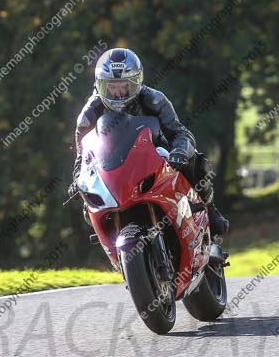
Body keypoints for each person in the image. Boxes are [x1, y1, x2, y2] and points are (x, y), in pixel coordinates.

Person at [68, 47, 229, 236]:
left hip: (156, 157)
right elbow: (82, 156)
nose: (118, 93)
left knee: (197, 162)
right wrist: (77, 179)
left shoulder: (155, 100)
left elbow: (180, 133)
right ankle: (113, 239)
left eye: (124, 86)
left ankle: (210, 210)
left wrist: (179, 152)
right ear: (99, 85)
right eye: (111, 86)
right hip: (112, 170)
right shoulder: (89, 114)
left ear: (137, 82)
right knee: (88, 205)